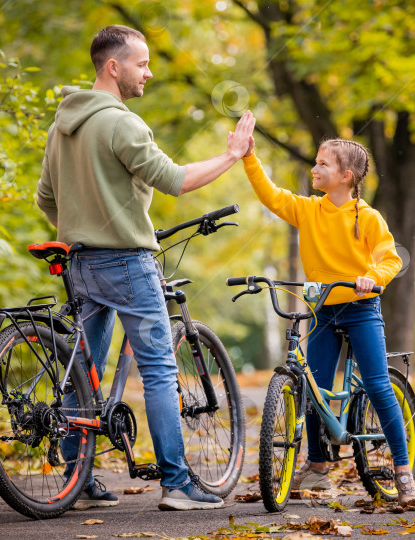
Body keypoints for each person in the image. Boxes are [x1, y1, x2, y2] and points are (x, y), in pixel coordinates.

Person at [36, 25, 255, 511]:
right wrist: (231, 155)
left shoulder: (61, 126)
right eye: (142, 63)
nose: (149, 72)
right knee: (158, 370)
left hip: (77, 263)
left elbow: (46, 199)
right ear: (113, 67)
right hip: (126, 263)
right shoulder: (121, 123)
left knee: (83, 372)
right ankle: (177, 483)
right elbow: (175, 180)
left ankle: (79, 477)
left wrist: (81, 229)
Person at [240, 137, 415, 506]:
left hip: (361, 308)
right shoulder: (309, 210)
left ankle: (403, 473)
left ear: (347, 176)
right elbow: (273, 196)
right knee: (314, 389)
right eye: (315, 161)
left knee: (376, 384)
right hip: (323, 310)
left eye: (323, 164)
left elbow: (390, 259)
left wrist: (374, 276)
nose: (315, 168)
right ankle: (318, 467)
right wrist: (249, 157)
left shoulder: (369, 217)